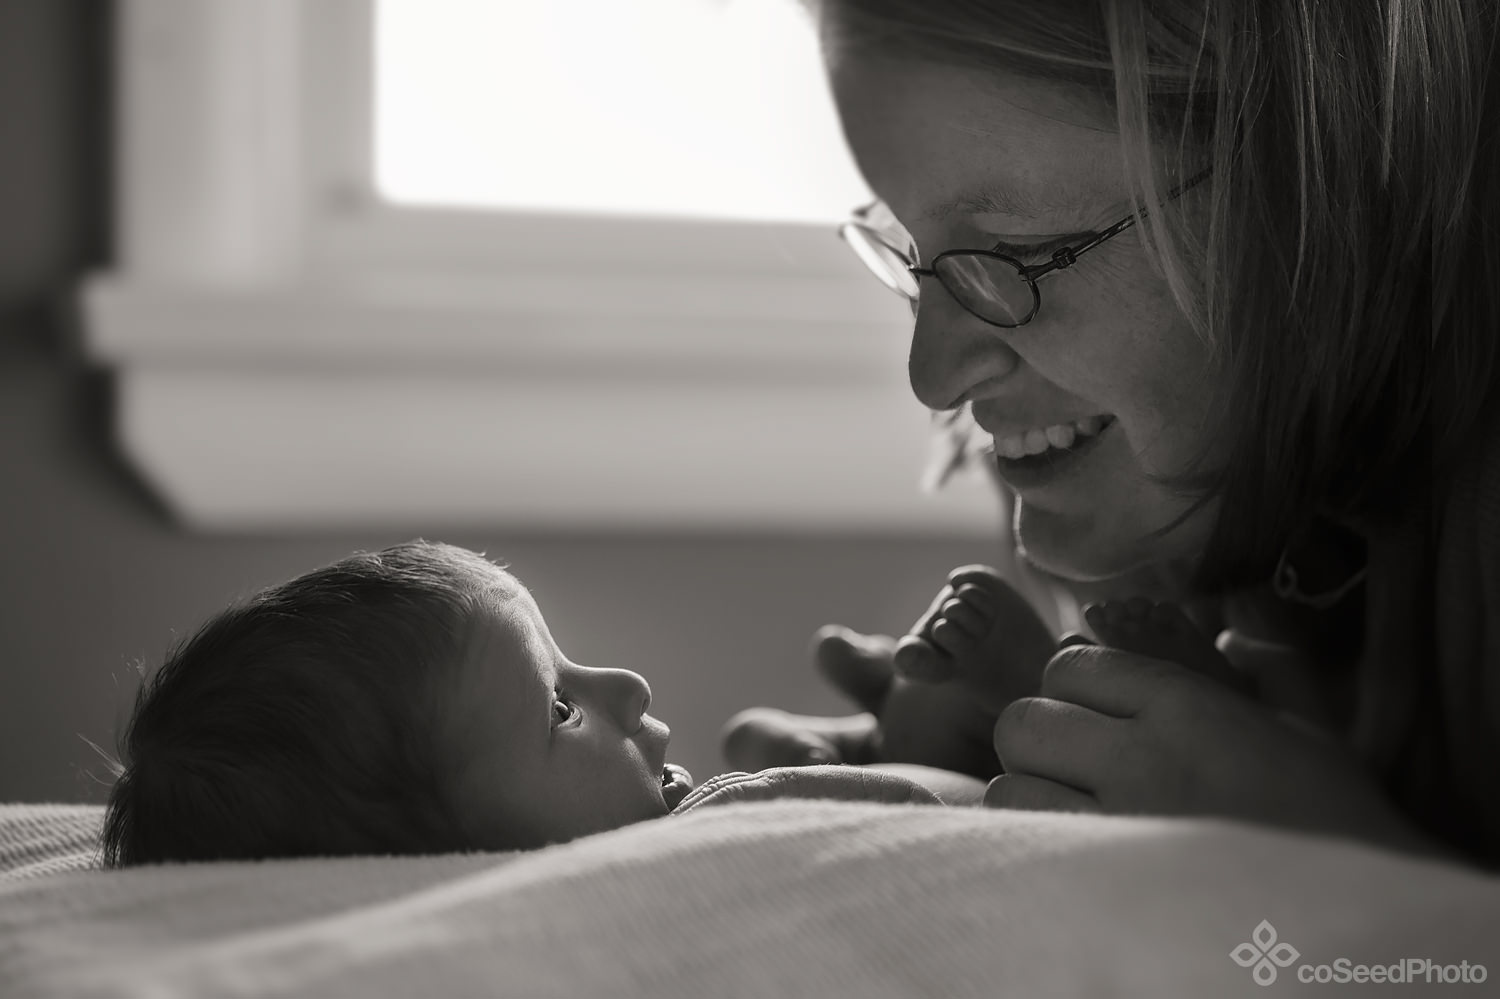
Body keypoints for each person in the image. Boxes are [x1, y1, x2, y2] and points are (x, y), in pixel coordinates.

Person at [725, 0, 1500, 865]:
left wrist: (1338, 864)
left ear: (1328, 178)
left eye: (1014, 253)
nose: (932, 377)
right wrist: (977, 759)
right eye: (907, 244)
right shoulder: (1140, 467)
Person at [99, 541, 949, 867]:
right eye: (560, 710)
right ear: (452, 859)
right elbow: (945, 821)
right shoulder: (721, 843)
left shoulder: (711, 816)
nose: (629, 687)